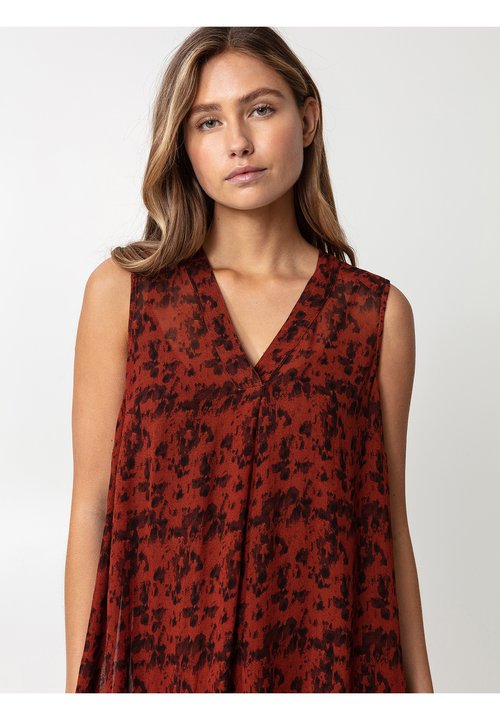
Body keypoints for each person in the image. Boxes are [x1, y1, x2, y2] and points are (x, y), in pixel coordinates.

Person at [65, 26, 433, 693]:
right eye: (208, 121)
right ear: (184, 145)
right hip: (159, 668)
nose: (237, 141)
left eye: (260, 109)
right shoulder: (125, 294)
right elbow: (91, 509)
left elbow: (388, 528)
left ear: (308, 118)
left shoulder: (374, 316)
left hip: (323, 668)